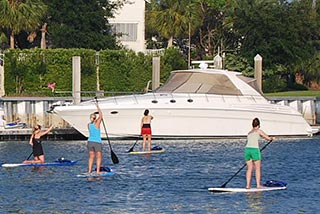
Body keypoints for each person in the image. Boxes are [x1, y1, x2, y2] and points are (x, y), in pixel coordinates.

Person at [245, 118, 275, 189]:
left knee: (249, 168)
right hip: (254, 150)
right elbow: (267, 138)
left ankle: (247, 185)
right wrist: (272, 139)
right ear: (258, 125)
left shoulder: (249, 132)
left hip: (247, 150)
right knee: (257, 168)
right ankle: (258, 185)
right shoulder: (258, 131)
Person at [87, 102, 103, 174]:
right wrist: (98, 106)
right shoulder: (97, 124)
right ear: (95, 118)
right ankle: (97, 171)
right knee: (98, 157)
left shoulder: (88, 125)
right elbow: (101, 115)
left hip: (90, 142)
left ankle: (89, 170)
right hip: (97, 142)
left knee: (91, 157)